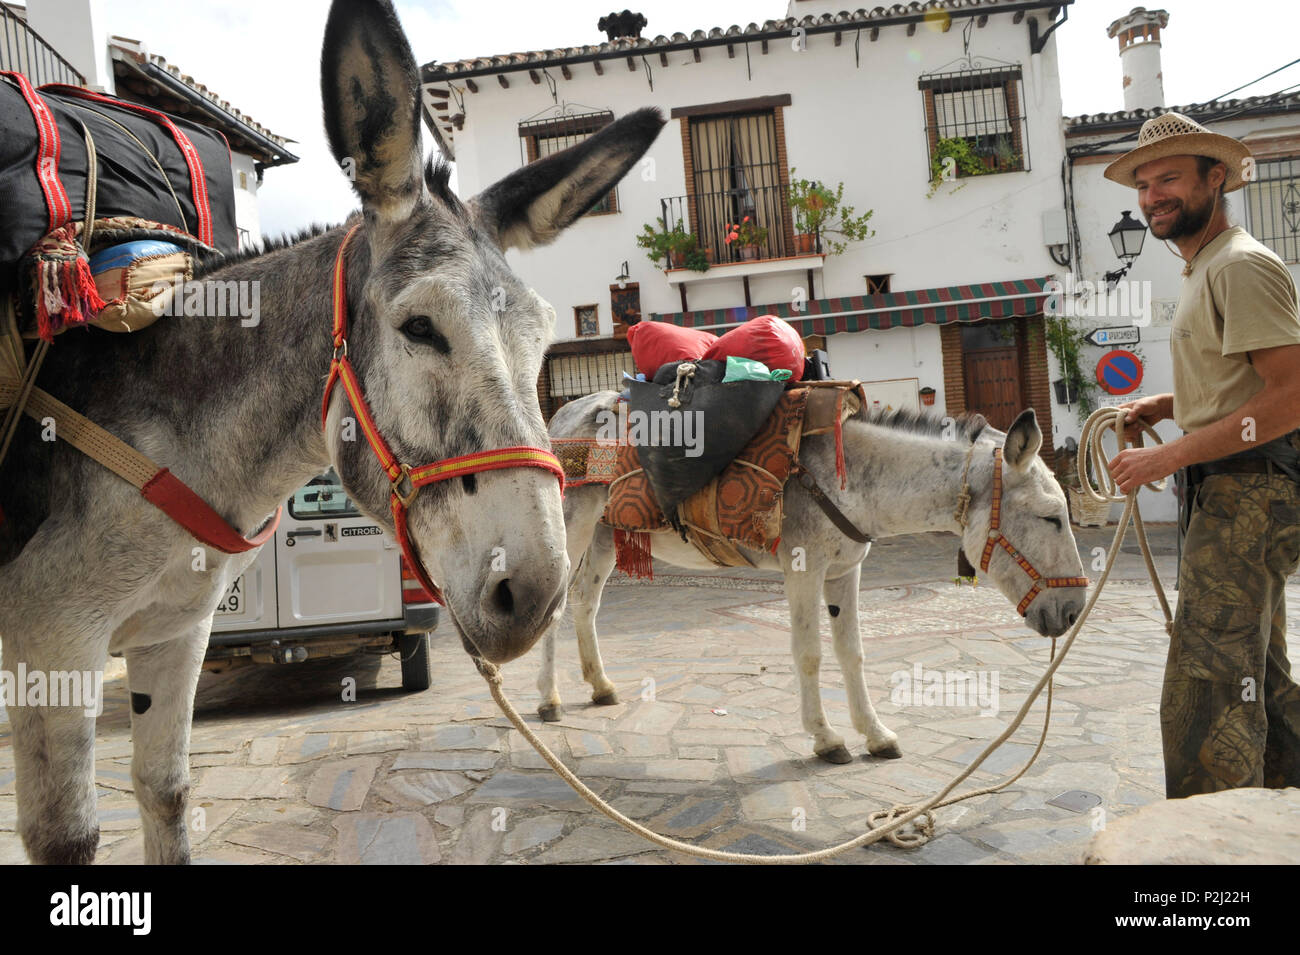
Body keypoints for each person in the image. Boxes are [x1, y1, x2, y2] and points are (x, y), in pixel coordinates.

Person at [1103, 112, 1300, 798]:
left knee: (1207, 689)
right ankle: (1283, 814)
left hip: (1250, 495)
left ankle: (1207, 854)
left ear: (1217, 178)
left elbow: (1292, 395)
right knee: (1260, 674)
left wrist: (1166, 457)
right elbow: (1236, 386)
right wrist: (1165, 406)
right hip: (1236, 493)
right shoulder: (1207, 266)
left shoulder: (1240, 266)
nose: (1153, 195)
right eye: (1144, 182)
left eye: (1170, 179)